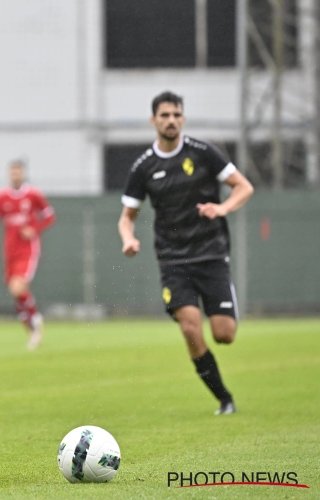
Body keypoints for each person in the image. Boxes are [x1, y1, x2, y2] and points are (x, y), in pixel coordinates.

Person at [117, 91, 254, 415]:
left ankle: (224, 384)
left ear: (183, 118)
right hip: (173, 260)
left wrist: (222, 208)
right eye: (164, 115)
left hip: (211, 253)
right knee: (190, 327)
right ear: (154, 121)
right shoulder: (143, 167)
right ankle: (224, 398)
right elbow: (126, 217)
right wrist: (128, 239)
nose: (171, 120)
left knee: (224, 335)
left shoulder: (203, 152)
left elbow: (244, 186)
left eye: (176, 115)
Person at [0, 160, 55, 349]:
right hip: (9, 250)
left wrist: (34, 228)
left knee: (18, 288)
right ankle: (31, 331)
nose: (15, 174)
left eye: (18, 171)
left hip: (28, 249)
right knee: (15, 293)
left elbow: (49, 215)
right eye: (12, 171)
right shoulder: (2, 197)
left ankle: (36, 322)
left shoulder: (33, 195)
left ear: (23, 173)